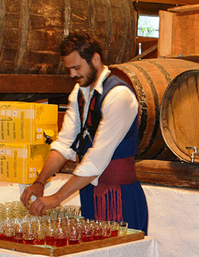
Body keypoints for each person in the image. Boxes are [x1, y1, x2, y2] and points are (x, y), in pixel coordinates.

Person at [21, 31, 148, 234]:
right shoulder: (80, 92)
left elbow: (96, 160)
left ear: (95, 59)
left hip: (119, 195)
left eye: (77, 67)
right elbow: (64, 143)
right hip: (89, 191)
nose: (72, 75)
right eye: (69, 69)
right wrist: (40, 181)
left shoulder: (119, 96)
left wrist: (57, 198)